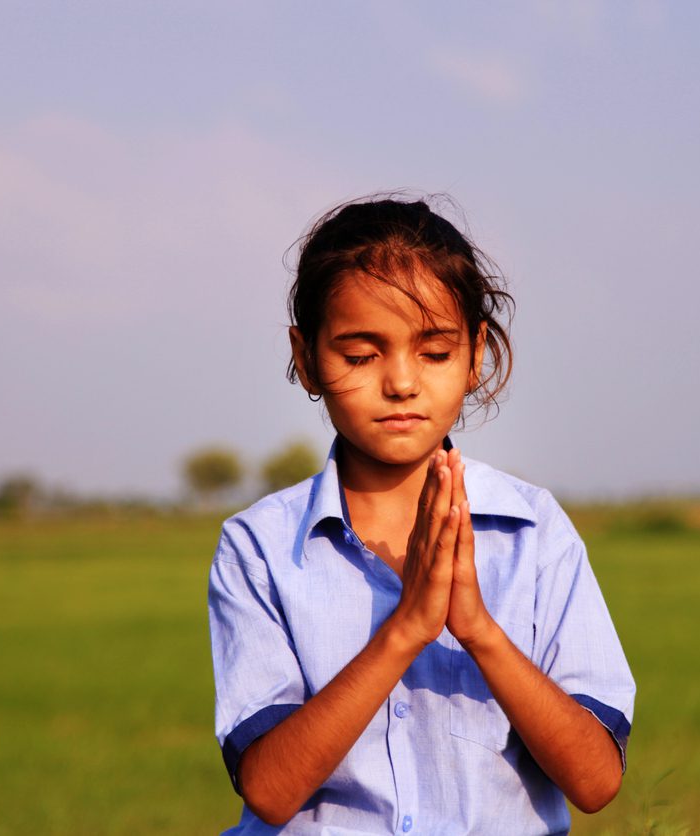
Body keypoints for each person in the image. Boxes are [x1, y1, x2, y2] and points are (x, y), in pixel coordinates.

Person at [208, 195, 635, 834]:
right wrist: (406, 628)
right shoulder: (260, 547)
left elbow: (596, 782)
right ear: (306, 359)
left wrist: (478, 629)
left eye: (434, 352)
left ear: (475, 355)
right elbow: (269, 790)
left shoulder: (533, 532)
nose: (402, 382)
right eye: (360, 355)